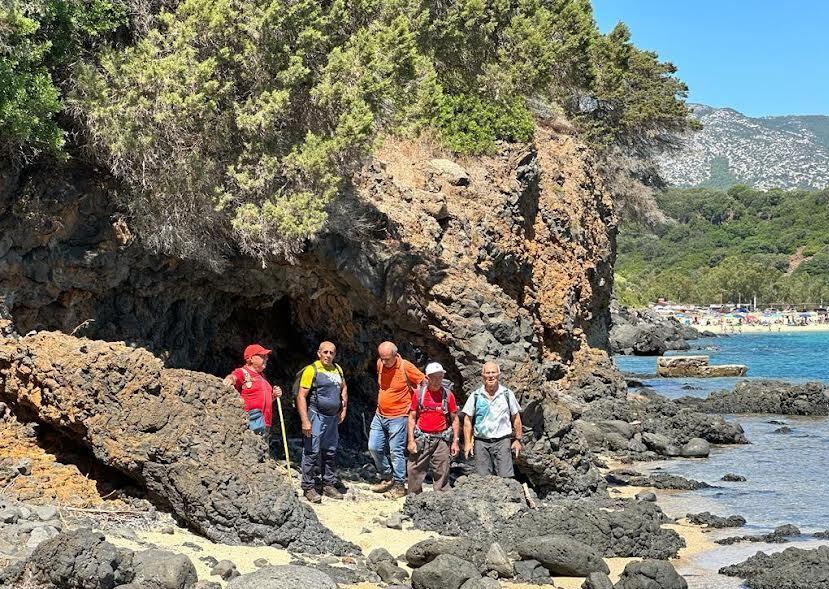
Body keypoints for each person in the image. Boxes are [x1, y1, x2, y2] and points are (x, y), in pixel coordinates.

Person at [370, 341, 425, 498]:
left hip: (399, 416)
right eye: (382, 358)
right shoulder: (380, 364)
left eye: (387, 358)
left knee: (396, 451)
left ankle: (400, 485)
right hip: (380, 414)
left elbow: (423, 382)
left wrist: (415, 405)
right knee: (374, 447)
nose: (384, 362)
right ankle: (387, 476)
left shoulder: (405, 366)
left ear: (396, 355)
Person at [296, 341, 347, 504]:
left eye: (331, 353)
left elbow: (344, 387)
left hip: (332, 418)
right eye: (325, 352)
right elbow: (301, 396)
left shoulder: (338, 369)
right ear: (319, 353)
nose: (328, 355)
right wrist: (305, 420)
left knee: (330, 452)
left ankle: (328, 484)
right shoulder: (312, 369)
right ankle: (308, 487)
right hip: (316, 416)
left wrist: (344, 407)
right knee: (311, 451)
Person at [461, 361, 522, 478]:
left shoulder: (507, 394)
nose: (490, 375)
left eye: (493, 372)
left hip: (502, 441)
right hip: (481, 442)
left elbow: (516, 418)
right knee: (483, 479)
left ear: (499, 374)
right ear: (482, 375)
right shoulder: (476, 395)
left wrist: (518, 439)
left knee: (506, 477)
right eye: (487, 373)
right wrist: (468, 443)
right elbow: (467, 421)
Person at [406, 362, 459, 495]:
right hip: (422, 438)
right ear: (427, 378)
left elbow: (455, 419)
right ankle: (414, 498)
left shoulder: (448, 395)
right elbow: (412, 417)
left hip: (441, 439)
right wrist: (411, 440)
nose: (437, 380)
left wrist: (455, 442)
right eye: (433, 377)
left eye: (439, 377)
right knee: (414, 469)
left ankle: (441, 499)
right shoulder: (419, 395)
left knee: (442, 470)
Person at [223, 343, 282, 437]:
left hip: (265, 424)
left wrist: (274, 395)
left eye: (266, 356)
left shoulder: (262, 377)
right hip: (251, 423)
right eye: (263, 356)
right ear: (250, 359)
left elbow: (263, 399)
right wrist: (230, 379)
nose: (266, 358)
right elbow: (234, 377)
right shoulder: (243, 372)